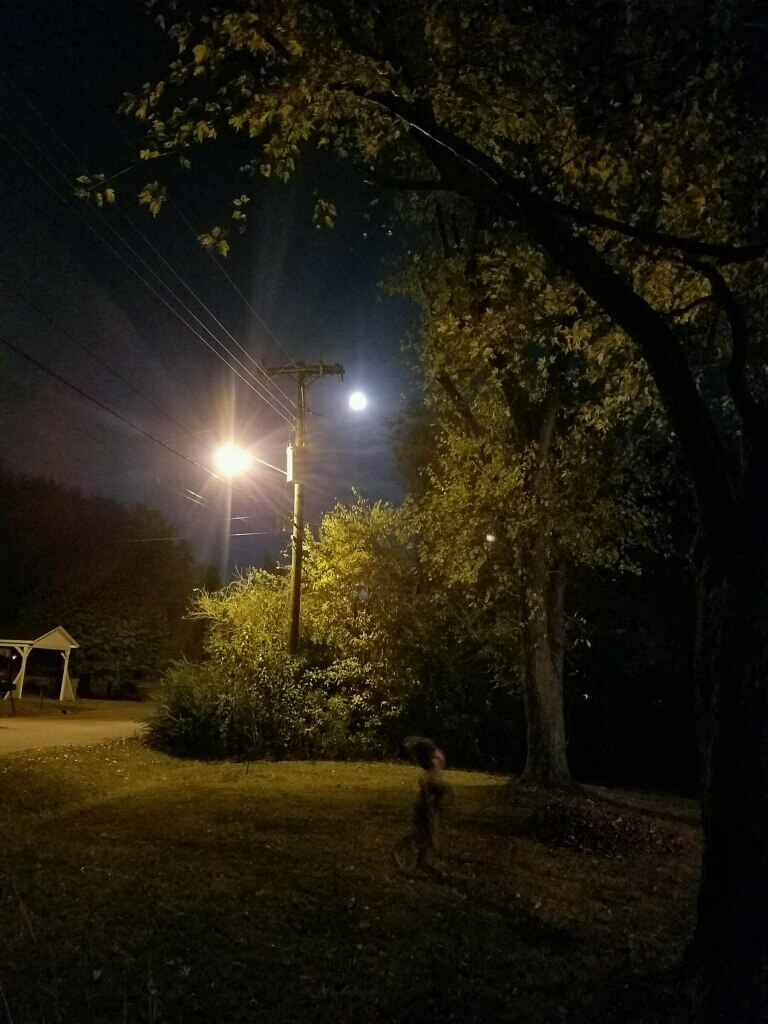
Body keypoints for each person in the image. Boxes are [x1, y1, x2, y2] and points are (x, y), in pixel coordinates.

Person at [397, 737, 450, 869]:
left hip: (427, 807)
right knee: (428, 837)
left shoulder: (430, 770)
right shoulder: (430, 773)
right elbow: (434, 789)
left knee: (426, 836)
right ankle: (427, 861)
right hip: (426, 808)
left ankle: (421, 861)